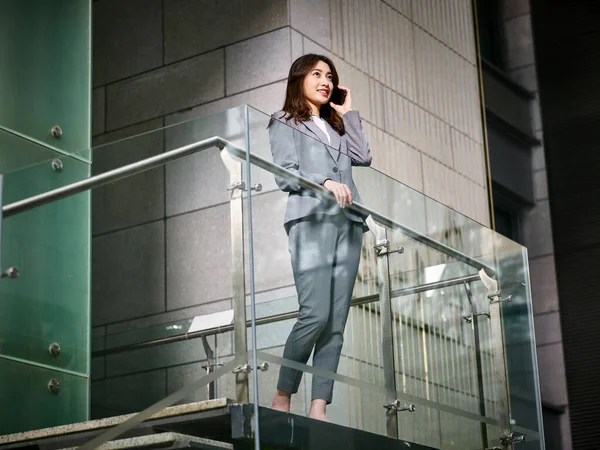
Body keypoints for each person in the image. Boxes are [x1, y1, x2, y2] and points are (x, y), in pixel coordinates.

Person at [268, 54, 372, 422]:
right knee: (315, 314)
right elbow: (284, 173)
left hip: (350, 223)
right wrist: (325, 182)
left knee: (336, 321)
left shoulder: (337, 128)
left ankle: (319, 406)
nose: (325, 81)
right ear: (299, 79)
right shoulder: (284, 121)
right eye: (317, 74)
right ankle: (283, 394)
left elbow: (364, 155)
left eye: (330, 76)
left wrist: (351, 110)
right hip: (311, 219)